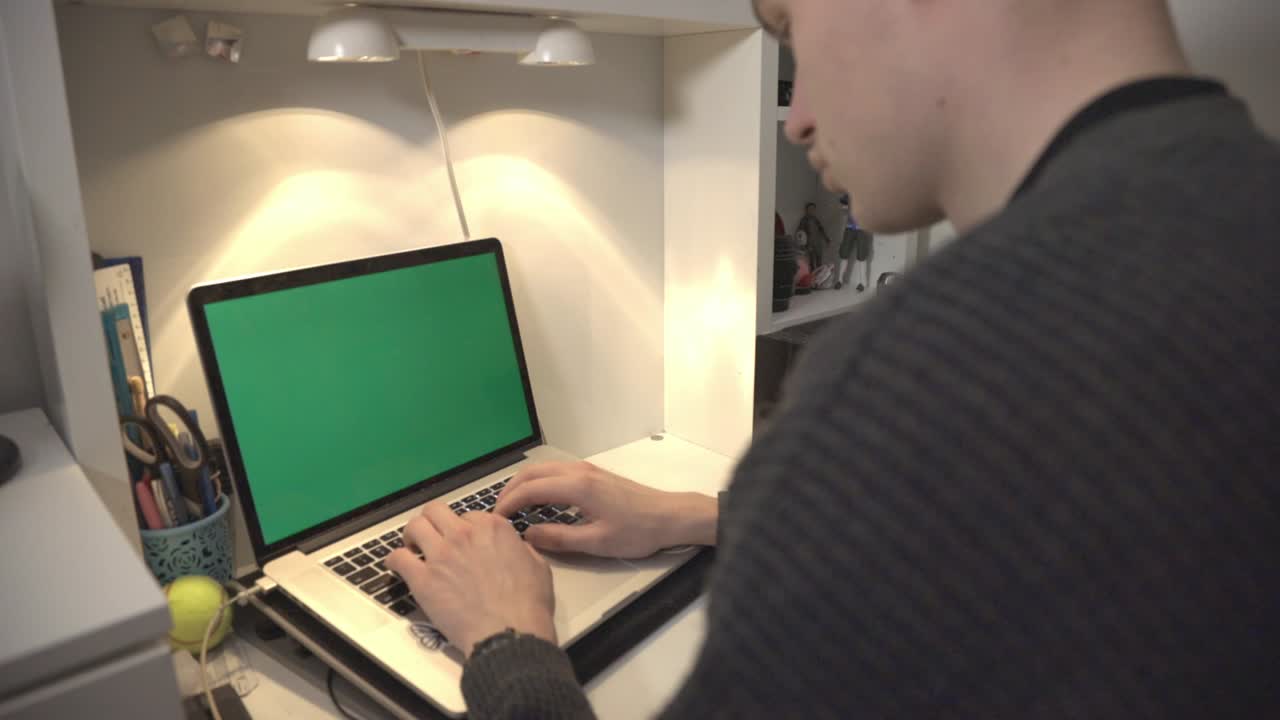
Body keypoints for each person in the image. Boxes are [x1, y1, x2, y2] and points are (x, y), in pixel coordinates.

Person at [388, 0, 1280, 717]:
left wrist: (509, 647)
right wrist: (699, 515)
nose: (798, 114)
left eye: (790, 32)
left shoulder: (920, 375)